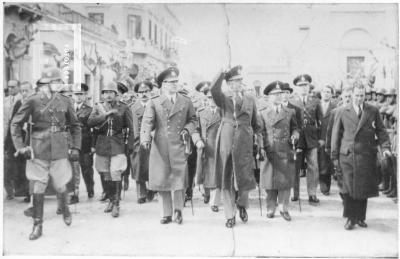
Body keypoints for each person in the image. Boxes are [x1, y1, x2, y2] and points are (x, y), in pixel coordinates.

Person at [11, 67, 81, 240]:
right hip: (38, 148)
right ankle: (37, 225)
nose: (57, 85)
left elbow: (75, 126)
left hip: (60, 148)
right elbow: (16, 124)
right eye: (54, 82)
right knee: (39, 185)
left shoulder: (65, 101)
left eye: (58, 82)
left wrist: (76, 147)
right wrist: (20, 146)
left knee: (60, 184)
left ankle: (64, 207)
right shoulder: (33, 100)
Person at [140, 67, 198, 224]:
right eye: (170, 82)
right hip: (160, 146)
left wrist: (187, 129)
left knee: (179, 178)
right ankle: (166, 213)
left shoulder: (185, 101)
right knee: (163, 178)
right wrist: (145, 138)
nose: (174, 85)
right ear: (162, 85)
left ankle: (178, 210)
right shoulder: (154, 102)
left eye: (175, 82)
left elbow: (193, 119)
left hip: (179, 144)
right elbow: (147, 121)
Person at [330, 82, 390, 230]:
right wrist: (334, 156)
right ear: (351, 95)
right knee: (349, 188)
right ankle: (351, 218)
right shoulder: (343, 111)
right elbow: (335, 135)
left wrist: (386, 147)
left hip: (365, 155)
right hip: (348, 155)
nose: (359, 98)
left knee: (362, 187)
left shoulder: (373, 110)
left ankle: (360, 217)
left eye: (361, 96)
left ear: (365, 95)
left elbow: (381, 131)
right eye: (356, 95)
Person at [210, 66, 259, 228]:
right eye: (236, 81)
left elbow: (255, 122)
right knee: (227, 177)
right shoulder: (223, 98)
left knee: (244, 176)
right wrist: (222, 73)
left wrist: (258, 138)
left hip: (245, 140)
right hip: (227, 139)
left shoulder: (250, 98)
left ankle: (242, 206)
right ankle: (229, 215)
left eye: (240, 81)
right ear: (229, 84)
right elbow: (213, 88)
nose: (239, 83)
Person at [88, 82, 134, 218]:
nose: (108, 95)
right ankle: (110, 199)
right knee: (106, 173)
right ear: (102, 94)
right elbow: (90, 122)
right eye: (105, 92)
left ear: (116, 94)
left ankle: (116, 203)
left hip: (117, 144)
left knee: (115, 172)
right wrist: (105, 115)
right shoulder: (98, 107)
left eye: (111, 92)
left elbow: (131, 128)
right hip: (102, 144)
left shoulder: (124, 108)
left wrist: (130, 145)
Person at [259, 81, 299, 221]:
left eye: (280, 94)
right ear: (268, 97)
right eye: (274, 94)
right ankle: (270, 208)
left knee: (285, 182)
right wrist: (261, 148)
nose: (278, 96)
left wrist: (295, 136)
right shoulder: (263, 113)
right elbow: (260, 132)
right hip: (269, 151)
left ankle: (284, 208)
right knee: (269, 182)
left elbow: (295, 128)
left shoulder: (290, 112)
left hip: (285, 150)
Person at [291, 74, 323, 204]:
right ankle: (295, 193)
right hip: (297, 138)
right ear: (297, 88)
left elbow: (320, 122)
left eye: (305, 85)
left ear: (309, 86)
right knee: (295, 167)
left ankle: (312, 193)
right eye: (301, 86)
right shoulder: (292, 102)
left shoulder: (315, 101)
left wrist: (321, 138)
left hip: (312, 137)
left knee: (313, 166)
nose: (303, 88)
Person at [192, 81, 222, 212]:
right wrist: (197, 140)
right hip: (204, 148)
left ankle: (214, 202)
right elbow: (194, 130)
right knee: (205, 173)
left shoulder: (223, 112)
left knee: (216, 175)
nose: (212, 100)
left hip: (218, 148)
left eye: (214, 97)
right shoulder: (200, 112)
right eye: (209, 98)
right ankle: (207, 193)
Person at [130, 80, 156, 204]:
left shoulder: (156, 105)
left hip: (153, 140)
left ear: (150, 92)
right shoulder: (133, 108)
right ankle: (141, 194)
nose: (144, 94)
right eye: (141, 92)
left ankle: (152, 189)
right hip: (137, 141)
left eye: (146, 91)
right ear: (137, 94)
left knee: (152, 165)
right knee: (138, 166)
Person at [72, 83, 95, 200]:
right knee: (73, 169)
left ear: (85, 95)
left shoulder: (90, 110)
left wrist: (93, 145)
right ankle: (74, 193)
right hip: (72, 144)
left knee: (87, 169)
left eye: (81, 94)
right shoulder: (69, 108)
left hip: (85, 144)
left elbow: (93, 130)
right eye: (76, 94)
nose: (79, 97)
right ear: (73, 95)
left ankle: (90, 189)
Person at [281, 83, 303, 202]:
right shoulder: (276, 108)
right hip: (280, 144)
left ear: (290, 95)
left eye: (287, 93)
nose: (285, 95)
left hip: (293, 144)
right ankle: (283, 195)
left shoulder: (296, 109)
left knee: (294, 170)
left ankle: (296, 194)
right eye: (282, 93)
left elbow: (299, 128)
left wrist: (298, 145)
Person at [4, 80, 24, 200]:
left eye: (13, 86)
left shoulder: (22, 100)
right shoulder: (5, 101)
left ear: (18, 87)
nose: (11, 89)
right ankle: (9, 191)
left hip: (18, 136)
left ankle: (19, 190)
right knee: (7, 165)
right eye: (9, 87)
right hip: (7, 137)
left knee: (18, 165)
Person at [318, 84, 337, 196]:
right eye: (324, 91)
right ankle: (319, 183)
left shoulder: (335, 107)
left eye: (328, 92)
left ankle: (326, 185)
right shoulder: (315, 106)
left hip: (329, 139)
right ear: (321, 93)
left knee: (327, 163)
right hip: (317, 139)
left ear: (331, 94)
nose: (326, 93)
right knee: (318, 162)